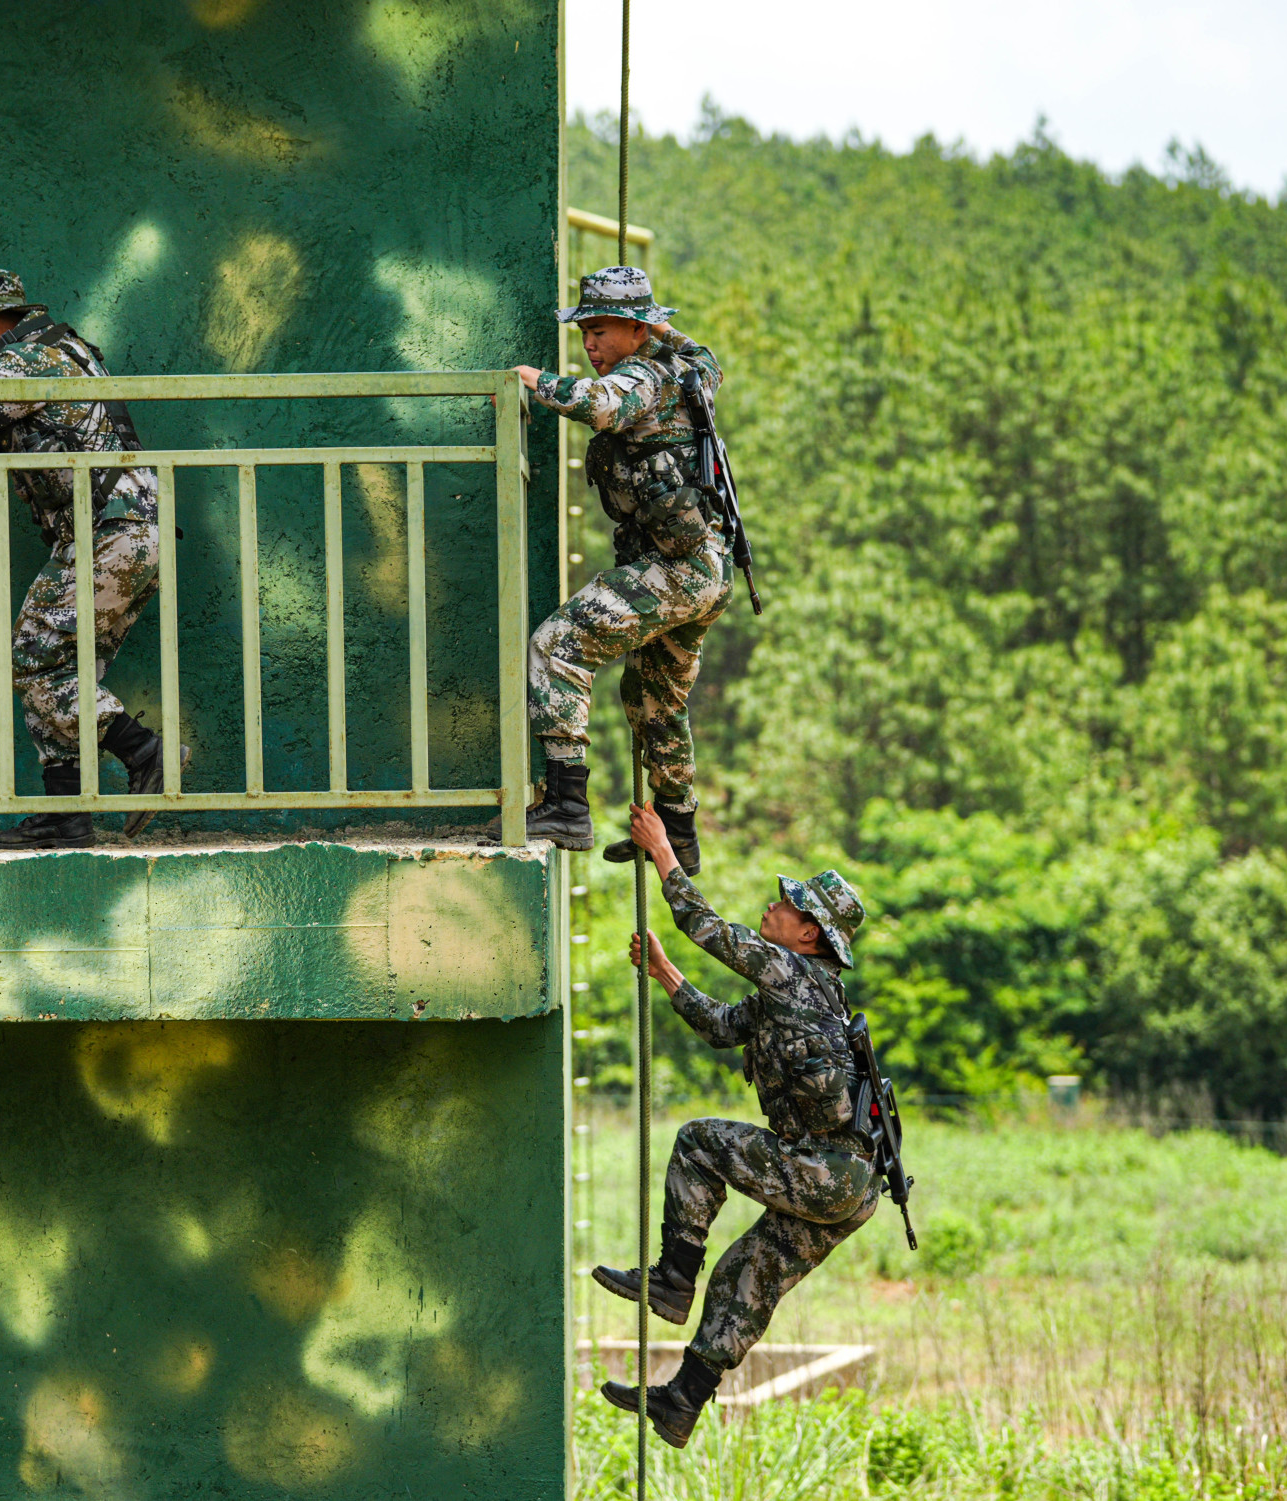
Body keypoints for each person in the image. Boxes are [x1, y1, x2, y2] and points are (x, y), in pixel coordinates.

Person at [591, 804, 874, 1448]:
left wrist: (663, 850)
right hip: (850, 1191)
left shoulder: (791, 971)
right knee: (745, 1277)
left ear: (809, 936)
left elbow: (704, 924)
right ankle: (681, 1403)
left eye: (789, 908)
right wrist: (665, 975)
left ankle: (670, 1279)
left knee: (698, 1142)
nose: (773, 908)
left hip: (825, 1168)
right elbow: (723, 1028)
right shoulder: (796, 990)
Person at [0, 268, 185, 848]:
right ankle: (66, 814)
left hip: (113, 531)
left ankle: (147, 753)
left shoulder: (29, 360)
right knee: (57, 671)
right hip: (117, 532)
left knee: (36, 663)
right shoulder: (59, 353)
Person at [514, 267, 729, 874]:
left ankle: (566, 805)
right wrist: (662, 329)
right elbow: (705, 353)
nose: (590, 345)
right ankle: (679, 834)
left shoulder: (640, 376)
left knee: (558, 646)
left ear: (635, 331)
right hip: (704, 571)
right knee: (654, 699)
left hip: (675, 569)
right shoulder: (690, 368)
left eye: (602, 331)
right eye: (585, 333)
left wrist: (537, 382)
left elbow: (602, 406)